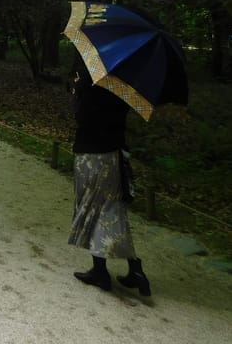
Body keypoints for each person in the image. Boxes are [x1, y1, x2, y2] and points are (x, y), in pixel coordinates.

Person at [68, 62, 152, 296]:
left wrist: (78, 91)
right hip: (115, 154)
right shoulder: (123, 82)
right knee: (112, 210)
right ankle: (133, 267)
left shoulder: (90, 81)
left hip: (92, 153)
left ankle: (100, 272)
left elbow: (82, 118)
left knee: (93, 208)